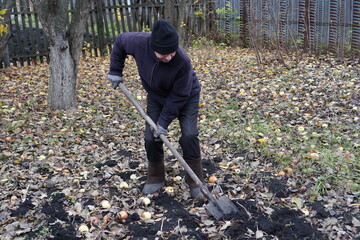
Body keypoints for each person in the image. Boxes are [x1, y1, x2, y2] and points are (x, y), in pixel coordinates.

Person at [108, 19, 204, 199]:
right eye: (163, 54)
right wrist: (115, 70)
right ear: (152, 47)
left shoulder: (182, 61)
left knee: (189, 135)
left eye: (172, 53)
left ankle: (196, 181)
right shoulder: (137, 42)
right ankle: (156, 177)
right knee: (150, 138)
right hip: (156, 96)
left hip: (186, 96)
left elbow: (179, 97)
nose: (168, 57)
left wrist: (163, 122)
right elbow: (120, 41)